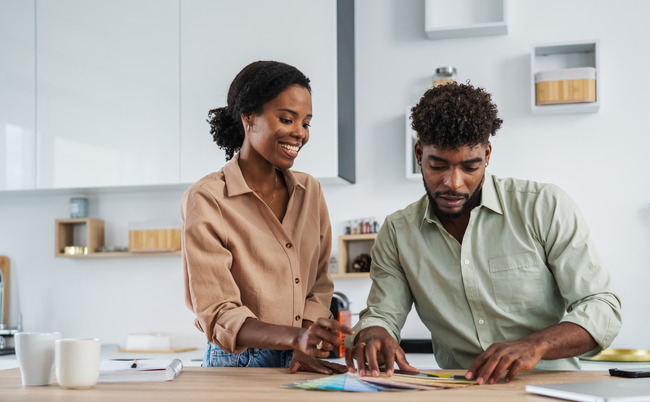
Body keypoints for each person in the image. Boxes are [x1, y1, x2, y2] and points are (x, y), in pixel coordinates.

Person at [345, 82, 622, 384]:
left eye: (469, 167)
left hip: (549, 388)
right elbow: (382, 315)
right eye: (437, 165)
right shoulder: (398, 233)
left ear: (487, 154)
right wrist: (374, 333)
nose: (453, 183)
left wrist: (536, 345)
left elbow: (601, 306)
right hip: (461, 392)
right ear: (419, 153)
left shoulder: (543, 206)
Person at [181, 60, 352, 374]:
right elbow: (217, 311)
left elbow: (319, 284)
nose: (299, 133)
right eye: (287, 119)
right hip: (239, 361)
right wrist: (296, 337)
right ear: (248, 117)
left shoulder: (310, 191)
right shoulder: (207, 198)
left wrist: (305, 342)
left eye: (306, 123)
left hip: (300, 357)